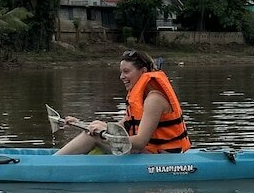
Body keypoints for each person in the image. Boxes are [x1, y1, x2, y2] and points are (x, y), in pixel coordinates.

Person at [54, 49, 190, 155]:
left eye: (126, 72)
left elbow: (140, 142)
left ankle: (53, 164)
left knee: (93, 137)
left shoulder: (154, 99)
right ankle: (56, 161)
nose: (122, 77)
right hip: (150, 153)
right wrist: (84, 124)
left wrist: (101, 135)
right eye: (121, 72)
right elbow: (123, 126)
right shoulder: (141, 97)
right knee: (96, 127)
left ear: (143, 72)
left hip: (164, 157)